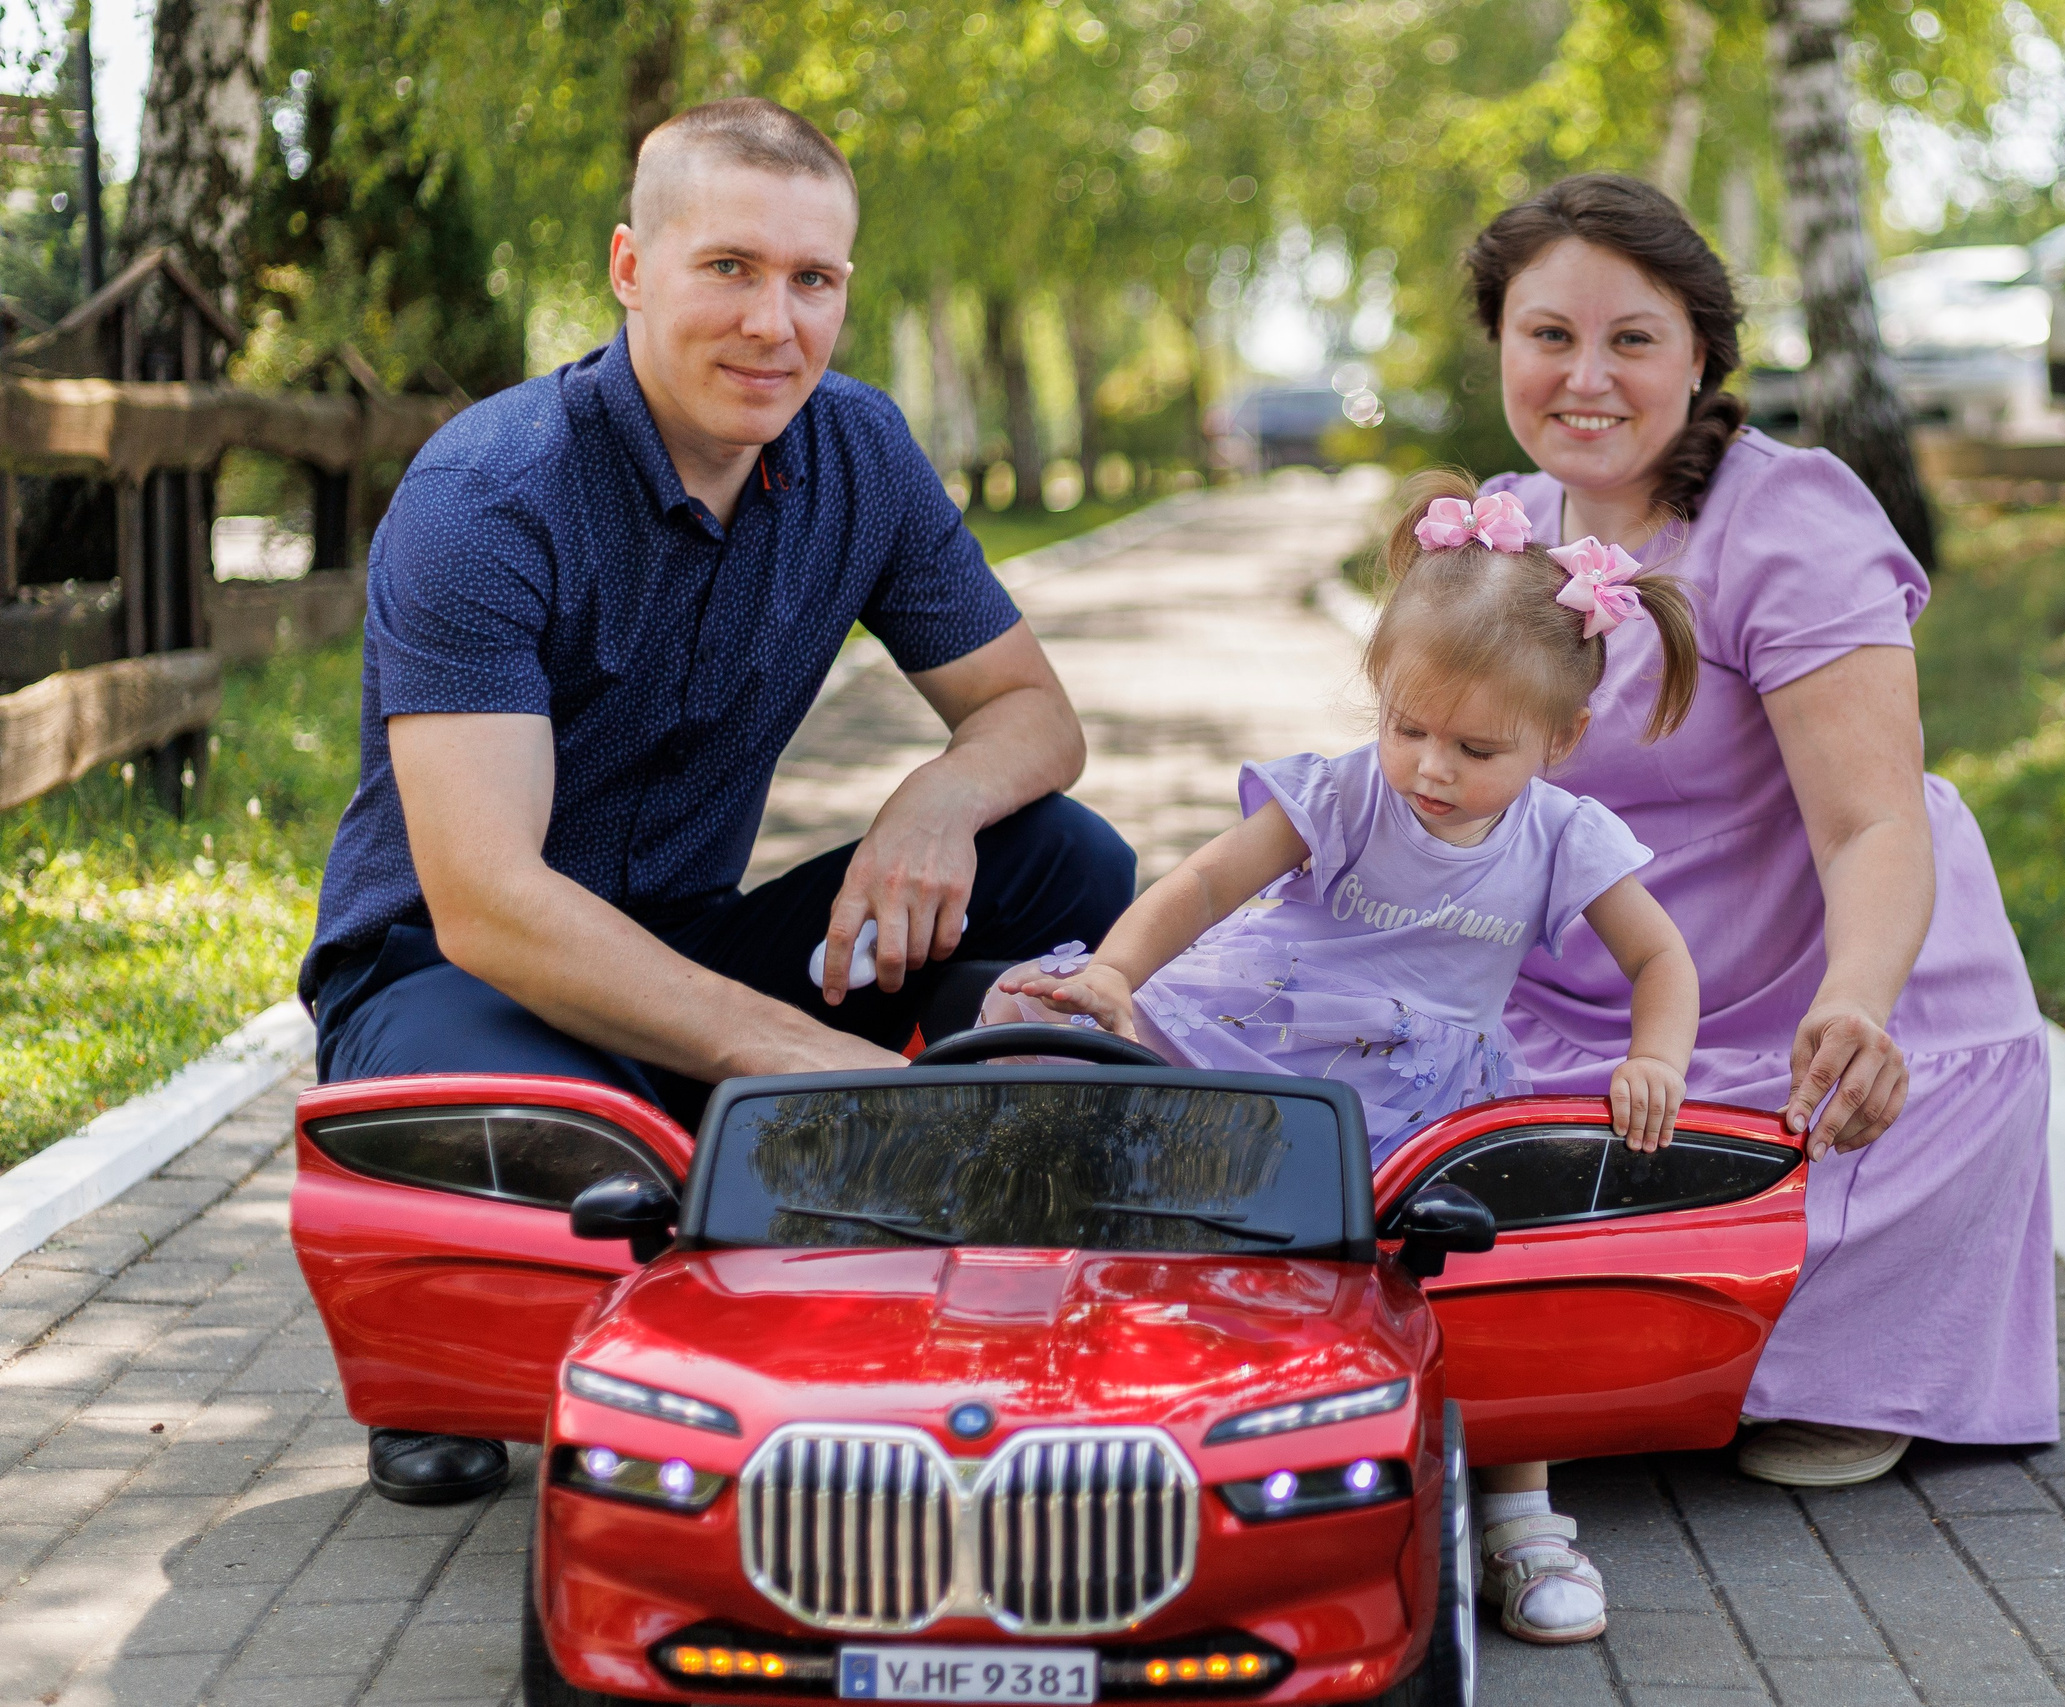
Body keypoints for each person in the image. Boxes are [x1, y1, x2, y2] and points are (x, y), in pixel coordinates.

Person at [297, 99, 1134, 1507]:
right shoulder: (485, 494)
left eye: (813, 280)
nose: (775, 322)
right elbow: (490, 897)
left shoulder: (857, 452)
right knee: (572, 1142)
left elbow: (1034, 716)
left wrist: (933, 796)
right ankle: (468, 1339)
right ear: (631, 266)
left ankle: (978, 1169)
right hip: (452, 973)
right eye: (730, 268)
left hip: (686, 950)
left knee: (1062, 855)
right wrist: (798, 1054)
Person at [1463, 168, 2057, 1632]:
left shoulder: (1787, 519)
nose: (1585, 378)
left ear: (1702, 356)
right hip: (1593, 1002)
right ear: (1499, 348)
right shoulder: (1495, 529)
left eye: (1633, 339)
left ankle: (1828, 1341)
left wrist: (1854, 1001)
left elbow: (1872, 825)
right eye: (1549, 335)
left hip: (1826, 989)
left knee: (1719, 1238)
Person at [988, 471, 1703, 1182]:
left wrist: (1656, 1059)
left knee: (1334, 1203)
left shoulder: (1563, 836)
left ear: (1562, 737)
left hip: (1412, 1098)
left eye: (1475, 749)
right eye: (1408, 727)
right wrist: (1118, 969)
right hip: (1267, 1026)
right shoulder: (1345, 794)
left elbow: (1659, 957)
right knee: (1041, 1021)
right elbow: (1208, 884)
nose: (1432, 768)